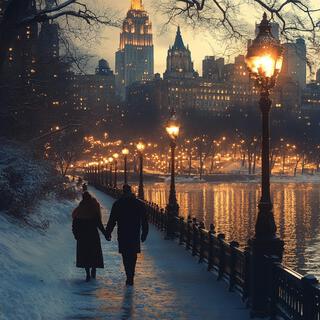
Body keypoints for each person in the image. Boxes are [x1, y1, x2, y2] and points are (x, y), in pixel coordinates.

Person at [105, 184, 148, 286]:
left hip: (123, 233)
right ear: (131, 192)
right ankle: (131, 275)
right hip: (134, 233)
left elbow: (112, 220)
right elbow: (144, 221)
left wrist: (108, 232)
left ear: (123, 192)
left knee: (125, 255)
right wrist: (144, 233)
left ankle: (128, 275)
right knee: (133, 255)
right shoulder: (139, 204)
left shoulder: (118, 204)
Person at [72, 191, 107, 282]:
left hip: (82, 236)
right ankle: (93, 270)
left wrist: (76, 234)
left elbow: (74, 224)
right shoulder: (93, 209)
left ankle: (87, 273)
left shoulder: (79, 210)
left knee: (85, 255)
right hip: (93, 235)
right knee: (94, 253)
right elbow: (99, 224)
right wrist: (106, 234)